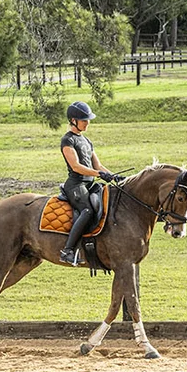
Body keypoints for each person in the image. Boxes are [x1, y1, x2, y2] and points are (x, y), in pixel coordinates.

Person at [59, 101, 116, 267]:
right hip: (76, 185)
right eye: (84, 120)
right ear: (73, 120)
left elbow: (97, 165)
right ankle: (68, 251)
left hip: (89, 183)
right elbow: (76, 166)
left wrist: (112, 176)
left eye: (88, 119)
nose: (87, 122)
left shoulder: (86, 141)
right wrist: (99, 174)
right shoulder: (67, 140)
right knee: (87, 210)